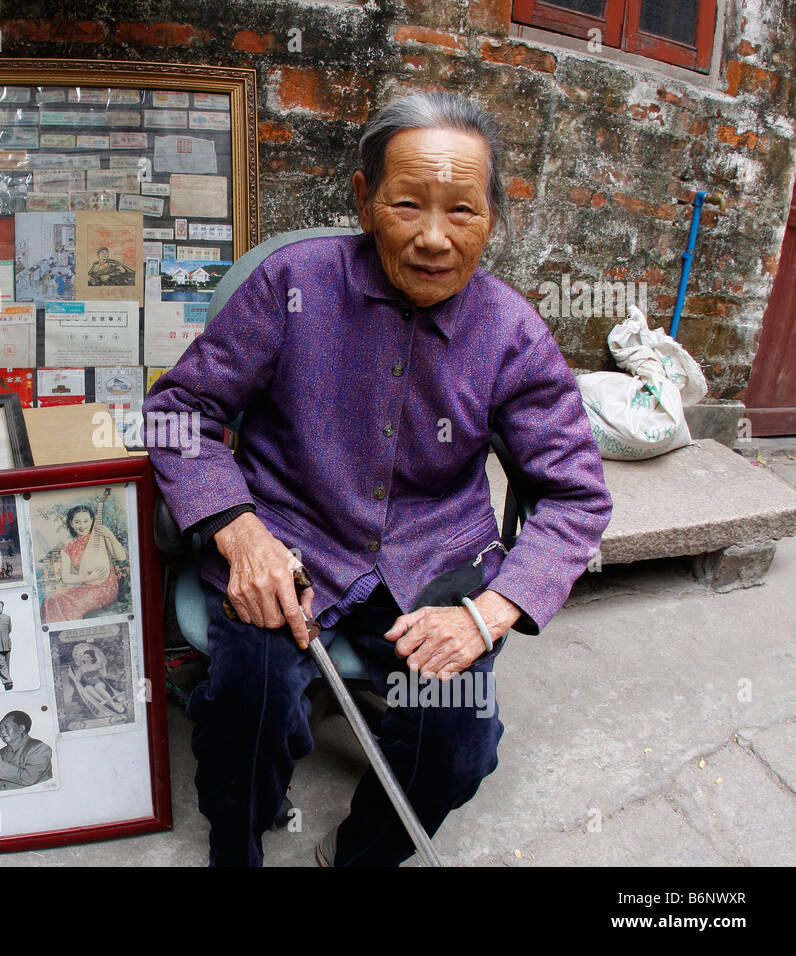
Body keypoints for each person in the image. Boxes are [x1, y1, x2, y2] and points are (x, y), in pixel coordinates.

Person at [142, 91, 612, 867]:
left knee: (455, 737)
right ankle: (241, 836)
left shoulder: (513, 333)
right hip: (289, 542)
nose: (433, 239)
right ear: (364, 199)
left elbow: (575, 494)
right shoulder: (292, 284)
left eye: (462, 211)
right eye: (406, 204)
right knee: (243, 713)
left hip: (436, 556)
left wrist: (489, 613)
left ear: (493, 216)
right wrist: (238, 529)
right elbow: (176, 411)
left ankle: (362, 854)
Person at [40, 504, 127, 623]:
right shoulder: (67, 548)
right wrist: (87, 577)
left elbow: (121, 557)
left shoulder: (100, 537)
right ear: (71, 523)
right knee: (50, 600)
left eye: (86, 521)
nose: (82, 526)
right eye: (77, 522)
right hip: (87, 587)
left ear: (92, 521)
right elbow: (66, 577)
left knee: (71, 604)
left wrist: (110, 535)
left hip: (106, 588)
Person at [0, 711, 52, 791]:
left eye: (6, 727)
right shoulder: (2, 752)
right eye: (0, 728)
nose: (2, 732)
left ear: (21, 728)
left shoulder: (40, 748)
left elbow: (29, 778)